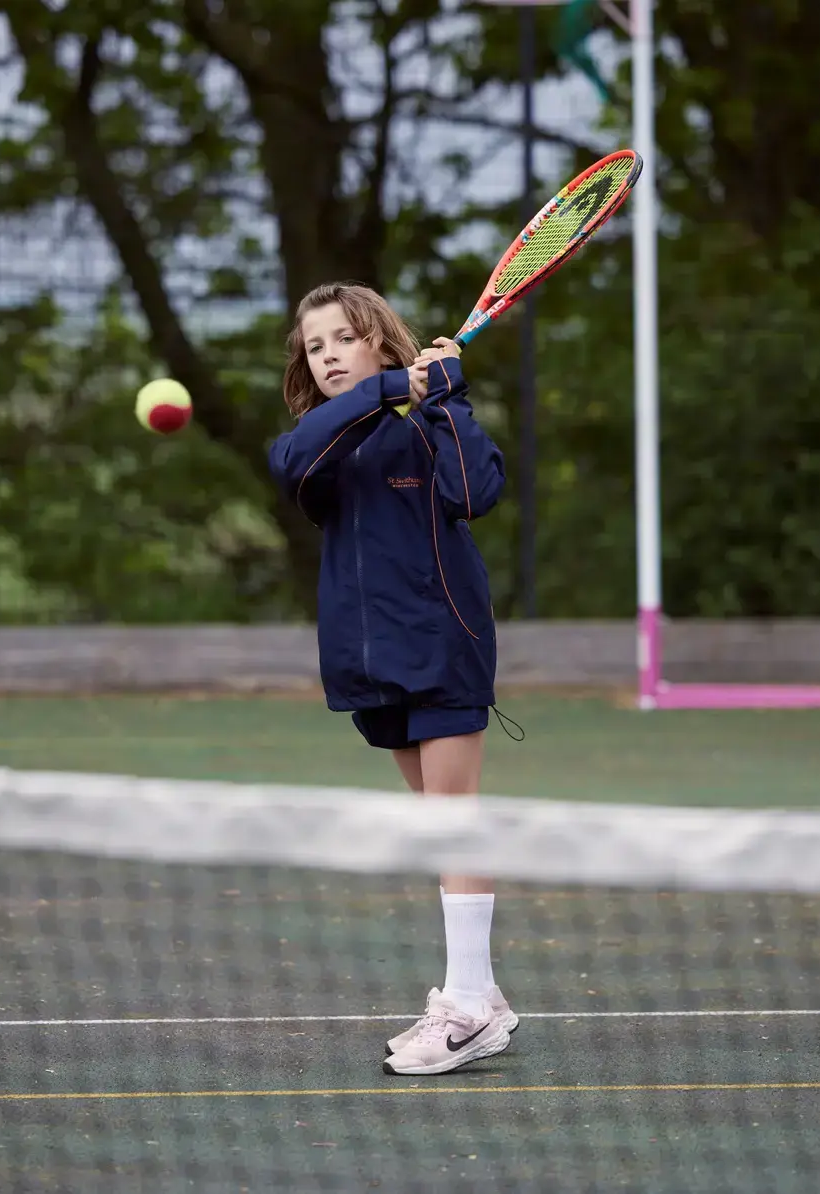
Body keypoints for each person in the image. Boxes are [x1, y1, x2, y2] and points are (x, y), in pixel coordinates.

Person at [267, 281, 519, 1076]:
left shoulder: (433, 425)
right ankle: (483, 996)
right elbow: (291, 462)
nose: (330, 353)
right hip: (370, 665)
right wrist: (387, 390)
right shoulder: (322, 441)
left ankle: (469, 1003)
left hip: (443, 646)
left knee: (453, 823)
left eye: (345, 337)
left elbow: (476, 492)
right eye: (317, 346)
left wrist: (446, 401)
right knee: (438, 829)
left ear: (380, 337)